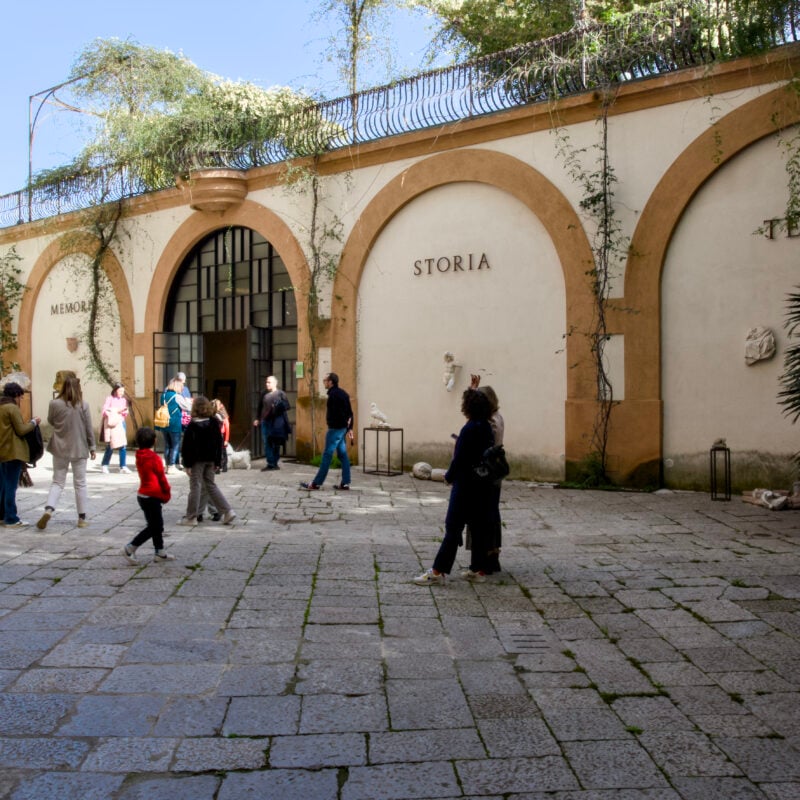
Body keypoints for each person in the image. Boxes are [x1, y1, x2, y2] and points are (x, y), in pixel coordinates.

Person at [414, 388, 494, 585]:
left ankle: (437, 571)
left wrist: (448, 476)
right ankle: (478, 569)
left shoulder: (469, 429)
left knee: (453, 527)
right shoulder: (486, 427)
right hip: (482, 484)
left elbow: (460, 458)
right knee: (477, 526)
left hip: (466, 485)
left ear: (468, 407)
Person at [37, 375, 96, 530]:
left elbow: (51, 420)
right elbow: (89, 427)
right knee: (80, 483)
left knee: (57, 481)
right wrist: (93, 447)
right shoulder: (84, 405)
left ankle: (49, 509)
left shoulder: (54, 403)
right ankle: (82, 518)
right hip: (79, 448)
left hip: (59, 447)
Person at [178, 396, 237, 526]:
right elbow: (219, 444)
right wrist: (218, 461)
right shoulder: (214, 423)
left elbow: (187, 447)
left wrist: (186, 464)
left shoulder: (192, 426)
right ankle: (227, 511)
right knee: (210, 485)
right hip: (211, 459)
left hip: (197, 461)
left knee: (196, 486)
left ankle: (191, 517)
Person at [123, 427, 174, 564]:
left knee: (155, 524)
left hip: (142, 495)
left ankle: (160, 551)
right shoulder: (154, 458)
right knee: (155, 527)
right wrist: (167, 492)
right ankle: (130, 547)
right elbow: (161, 478)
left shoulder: (139, 456)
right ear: (154, 441)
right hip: (153, 496)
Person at [471, 374, 504, 574]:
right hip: (496, 469)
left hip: (486, 472)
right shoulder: (498, 416)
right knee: (492, 512)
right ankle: (493, 553)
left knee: (485, 514)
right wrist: (473, 390)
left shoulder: (489, 422)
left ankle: (487, 556)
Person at [300, 372, 353, 491]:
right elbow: (350, 413)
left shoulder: (334, 396)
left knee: (327, 455)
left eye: (325, 380)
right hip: (341, 430)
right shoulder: (343, 394)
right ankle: (345, 483)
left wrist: (342, 426)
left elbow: (340, 414)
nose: (324, 382)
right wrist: (349, 428)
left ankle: (316, 483)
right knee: (342, 455)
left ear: (331, 382)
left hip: (335, 430)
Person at [0, 382, 41, 528]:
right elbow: (21, 430)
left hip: (2, 451)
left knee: (3, 485)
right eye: (20, 397)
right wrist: (33, 422)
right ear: (16, 395)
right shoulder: (12, 408)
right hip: (13, 451)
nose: (20, 400)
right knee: (11, 486)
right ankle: (11, 518)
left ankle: (2, 515)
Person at [253, 376, 291, 471]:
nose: (267, 384)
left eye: (269, 382)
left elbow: (287, 406)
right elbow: (260, 407)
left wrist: (278, 405)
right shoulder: (264, 393)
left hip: (277, 422)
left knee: (276, 443)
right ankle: (270, 463)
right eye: (266, 382)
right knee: (267, 442)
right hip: (266, 421)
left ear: (275, 383)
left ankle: (274, 462)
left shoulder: (281, 393)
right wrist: (257, 418)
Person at [99, 382, 130, 474]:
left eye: (123, 391)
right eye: (120, 391)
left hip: (121, 422)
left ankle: (123, 466)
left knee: (123, 445)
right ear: (115, 390)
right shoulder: (110, 399)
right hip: (112, 424)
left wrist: (124, 412)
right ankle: (104, 465)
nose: (121, 393)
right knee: (110, 445)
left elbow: (125, 413)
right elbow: (104, 411)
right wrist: (117, 411)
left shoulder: (123, 400)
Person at [159, 377, 188, 473]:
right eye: (181, 387)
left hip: (164, 422)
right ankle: (172, 465)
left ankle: (167, 466)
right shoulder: (177, 396)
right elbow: (186, 407)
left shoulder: (163, 395)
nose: (182, 389)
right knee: (175, 445)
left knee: (167, 445)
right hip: (174, 423)